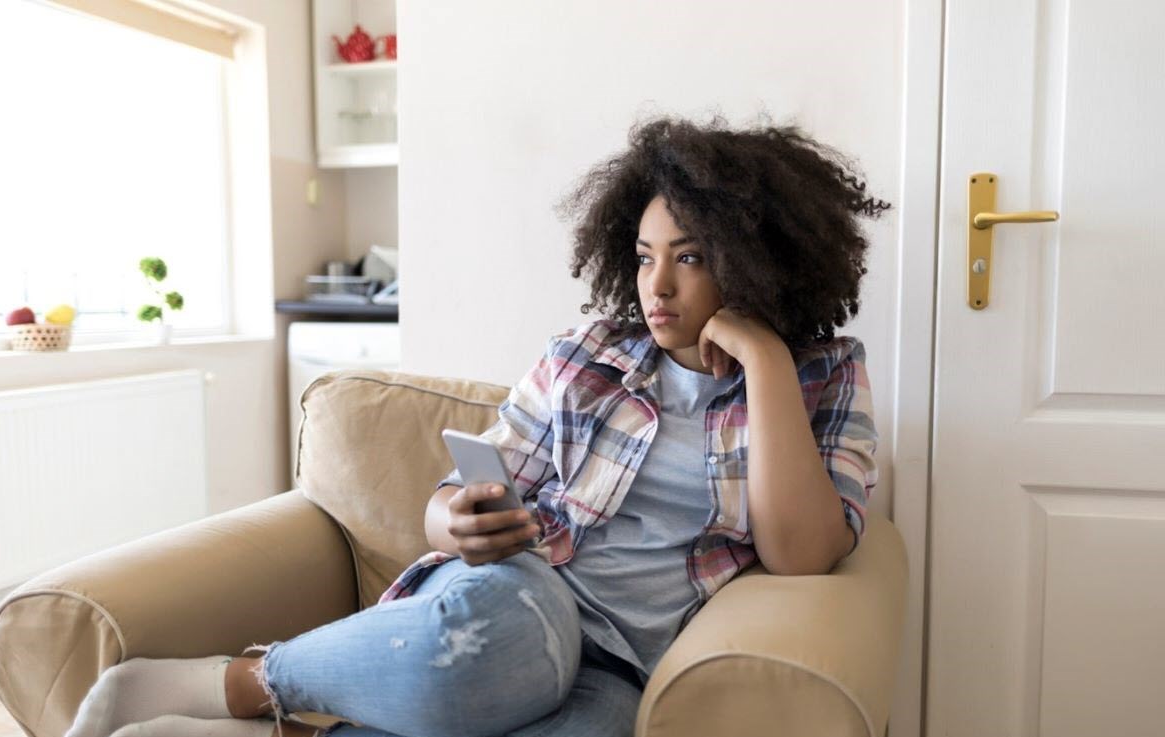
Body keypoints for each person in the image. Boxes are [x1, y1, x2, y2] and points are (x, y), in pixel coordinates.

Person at [62, 111, 890, 737]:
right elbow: (457, 492)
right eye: (643, 254)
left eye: (691, 255)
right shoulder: (589, 352)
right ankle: (231, 685)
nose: (657, 285)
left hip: (626, 665)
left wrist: (765, 361)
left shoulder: (823, 375)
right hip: (519, 595)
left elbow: (803, 550)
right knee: (500, 643)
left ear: (756, 256)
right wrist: (451, 520)